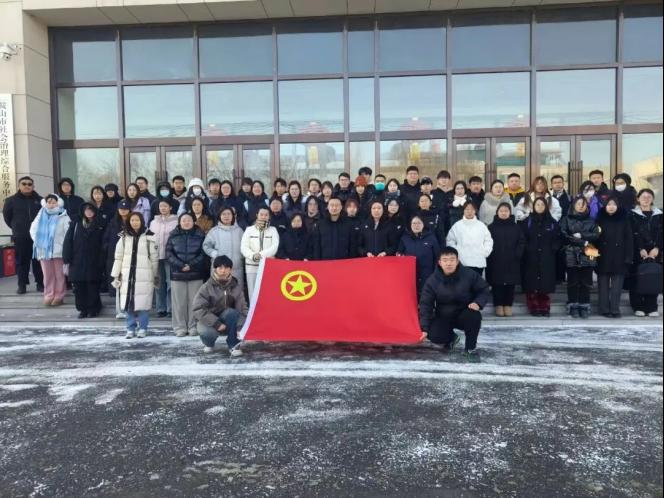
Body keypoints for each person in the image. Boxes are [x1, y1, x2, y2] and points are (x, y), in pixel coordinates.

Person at [418, 247, 490, 362]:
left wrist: (478, 303)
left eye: (452, 260)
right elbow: (426, 305)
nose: (449, 263)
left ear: (457, 261)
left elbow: (484, 289)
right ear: (439, 262)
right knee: (434, 334)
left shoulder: (469, 274)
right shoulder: (432, 280)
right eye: (445, 260)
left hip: (464, 313)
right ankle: (451, 338)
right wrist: (424, 328)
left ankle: (470, 349)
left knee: (474, 316)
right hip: (443, 316)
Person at [111, 212, 159, 339]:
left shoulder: (149, 236)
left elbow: (154, 259)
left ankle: (143, 328)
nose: (135, 222)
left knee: (143, 304)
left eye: (137, 220)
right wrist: (115, 275)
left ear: (142, 221)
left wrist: (155, 275)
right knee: (129, 304)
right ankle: (130, 328)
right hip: (127, 275)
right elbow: (118, 257)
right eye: (132, 220)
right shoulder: (123, 237)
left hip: (144, 276)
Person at [193, 255, 248, 357]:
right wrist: (216, 323)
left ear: (230, 270)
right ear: (215, 269)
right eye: (220, 268)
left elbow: (242, 309)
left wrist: (240, 326)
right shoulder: (207, 287)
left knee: (232, 313)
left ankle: (234, 345)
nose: (223, 271)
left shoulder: (236, 287)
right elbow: (198, 308)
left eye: (226, 268)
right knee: (207, 333)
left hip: (229, 319)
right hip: (209, 320)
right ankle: (209, 343)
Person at [560, 197, 601, 319]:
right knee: (572, 281)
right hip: (571, 253)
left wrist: (582, 235)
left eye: (583, 204)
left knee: (586, 282)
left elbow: (596, 235)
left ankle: (584, 306)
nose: (580, 206)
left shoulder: (591, 220)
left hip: (588, 254)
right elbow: (564, 235)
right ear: (573, 205)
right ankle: (573, 305)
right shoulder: (566, 219)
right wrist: (583, 242)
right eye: (578, 204)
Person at [166, 213, 206, 337]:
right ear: (179, 222)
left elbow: (203, 253)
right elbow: (169, 253)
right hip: (177, 274)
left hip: (196, 273)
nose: (186, 222)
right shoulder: (173, 235)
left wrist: (191, 265)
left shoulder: (200, 235)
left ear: (194, 221)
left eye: (189, 220)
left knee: (195, 301)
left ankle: (193, 326)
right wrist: (180, 265)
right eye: (183, 220)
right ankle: (180, 327)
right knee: (179, 303)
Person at [62, 203, 105, 319]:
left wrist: (102, 260)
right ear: (83, 212)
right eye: (86, 210)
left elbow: (104, 243)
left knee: (92, 286)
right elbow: (68, 241)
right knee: (79, 287)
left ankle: (93, 309)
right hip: (77, 261)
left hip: (94, 261)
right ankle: (82, 309)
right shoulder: (76, 224)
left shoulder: (100, 224)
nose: (89, 212)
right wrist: (66, 258)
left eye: (91, 210)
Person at [519, 197, 561, 317]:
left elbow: (558, 238)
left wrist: (553, 248)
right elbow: (522, 237)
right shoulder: (527, 221)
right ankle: (533, 307)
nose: (540, 207)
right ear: (533, 206)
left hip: (547, 257)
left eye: (542, 205)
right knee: (531, 284)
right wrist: (527, 249)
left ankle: (544, 307)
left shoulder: (552, 222)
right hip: (530, 257)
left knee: (545, 283)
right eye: (537, 204)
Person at [3, 176, 44, 294]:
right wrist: (17, 228)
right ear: (19, 186)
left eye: (29, 184)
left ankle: (40, 283)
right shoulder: (11, 200)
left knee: (38, 260)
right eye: (24, 184)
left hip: (38, 236)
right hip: (21, 236)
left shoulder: (41, 200)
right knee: (21, 261)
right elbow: (7, 218)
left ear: (33, 186)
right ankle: (22, 285)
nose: (27, 186)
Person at [29, 194, 70, 306]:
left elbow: (68, 233)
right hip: (44, 250)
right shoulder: (40, 215)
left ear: (58, 203)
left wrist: (63, 245)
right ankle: (48, 294)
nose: (51, 204)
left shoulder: (63, 215)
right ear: (45, 203)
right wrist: (39, 241)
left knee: (59, 275)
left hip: (58, 250)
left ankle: (59, 295)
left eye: (53, 202)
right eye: (49, 202)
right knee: (47, 275)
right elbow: (33, 229)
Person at [487, 202, 525, 317]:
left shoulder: (516, 227)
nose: (503, 213)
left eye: (506, 211)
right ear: (497, 212)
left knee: (510, 284)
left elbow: (522, 241)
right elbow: (486, 242)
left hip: (512, 260)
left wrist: (518, 254)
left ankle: (508, 305)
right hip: (496, 260)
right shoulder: (491, 227)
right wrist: (490, 254)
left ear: (510, 213)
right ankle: (498, 305)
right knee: (497, 284)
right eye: (501, 211)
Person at [596, 197, 633, 318]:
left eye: (613, 204)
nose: (611, 207)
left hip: (619, 255)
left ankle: (615, 309)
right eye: (608, 204)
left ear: (618, 206)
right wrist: (593, 256)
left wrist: (628, 257)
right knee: (603, 285)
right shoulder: (599, 219)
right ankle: (604, 309)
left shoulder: (624, 219)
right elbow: (594, 238)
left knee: (617, 285)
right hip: (602, 255)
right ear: (605, 206)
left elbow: (629, 239)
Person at [629, 188, 663, 317]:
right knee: (636, 278)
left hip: (655, 252)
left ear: (652, 199)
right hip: (637, 252)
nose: (646, 199)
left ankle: (652, 306)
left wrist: (658, 248)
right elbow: (631, 234)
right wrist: (640, 249)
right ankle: (638, 306)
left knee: (653, 277)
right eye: (643, 196)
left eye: (649, 196)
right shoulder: (631, 215)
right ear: (638, 199)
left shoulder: (659, 214)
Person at [397, 215, 440, 297]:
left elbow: (437, 256)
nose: (416, 225)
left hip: (427, 274)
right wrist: (400, 256)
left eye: (419, 223)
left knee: (425, 295)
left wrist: (435, 273)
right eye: (414, 223)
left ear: (423, 224)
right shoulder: (405, 238)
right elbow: (399, 253)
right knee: (411, 296)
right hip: (410, 274)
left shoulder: (431, 237)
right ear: (410, 225)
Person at [240, 206, 279, 298]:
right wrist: (253, 256)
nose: (263, 217)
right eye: (261, 214)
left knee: (267, 292)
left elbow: (274, 247)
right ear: (257, 215)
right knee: (253, 292)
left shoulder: (273, 230)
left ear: (269, 216)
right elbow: (244, 247)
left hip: (268, 265)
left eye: (266, 215)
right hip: (251, 266)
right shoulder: (249, 230)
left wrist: (260, 255)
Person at [446, 201, 493, 275]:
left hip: (478, 261)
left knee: (476, 281)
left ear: (475, 211)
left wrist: (485, 252)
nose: (469, 211)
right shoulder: (457, 225)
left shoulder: (481, 226)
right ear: (463, 211)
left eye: (472, 209)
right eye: (467, 209)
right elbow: (450, 240)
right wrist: (456, 252)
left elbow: (488, 241)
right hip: (462, 261)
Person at [203, 207, 245, 289]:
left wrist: (241, 258)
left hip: (236, 268)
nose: (226, 216)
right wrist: (215, 254)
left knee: (236, 292)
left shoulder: (239, 231)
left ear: (233, 216)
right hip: (219, 269)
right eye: (223, 214)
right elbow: (206, 246)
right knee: (218, 292)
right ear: (219, 216)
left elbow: (245, 247)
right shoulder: (214, 231)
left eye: (229, 214)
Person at [149, 200, 178, 318]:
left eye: (165, 206)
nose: (163, 208)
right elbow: (149, 238)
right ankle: (161, 308)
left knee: (170, 283)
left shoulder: (176, 222)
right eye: (161, 206)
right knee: (158, 283)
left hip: (170, 256)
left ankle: (170, 308)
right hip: (156, 256)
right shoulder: (153, 222)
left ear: (170, 207)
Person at [103, 200, 131, 312]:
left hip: (129, 255)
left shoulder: (133, 221)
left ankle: (128, 306)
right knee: (116, 279)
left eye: (125, 209)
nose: (123, 211)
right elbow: (106, 238)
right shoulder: (113, 222)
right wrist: (107, 247)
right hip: (114, 255)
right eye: (121, 209)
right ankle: (119, 308)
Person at [551, 175, 571, 283]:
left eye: (559, 182)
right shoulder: (548, 197)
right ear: (551, 185)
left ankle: (561, 278)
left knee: (563, 254)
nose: (557, 184)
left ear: (563, 183)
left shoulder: (569, 197)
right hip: (552, 229)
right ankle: (553, 278)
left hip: (564, 229)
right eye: (555, 182)